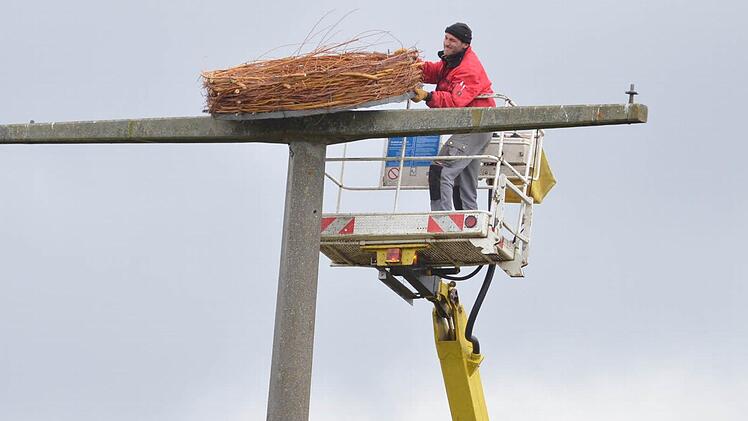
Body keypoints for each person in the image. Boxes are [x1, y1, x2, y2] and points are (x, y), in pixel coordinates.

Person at [410, 23, 496, 211]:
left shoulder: (468, 69)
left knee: (440, 170)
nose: (447, 43)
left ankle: (444, 223)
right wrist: (412, 66)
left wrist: (428, 96)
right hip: (476, 127)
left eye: (452, 40)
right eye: (446, 38)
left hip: (476, 125)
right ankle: (467, 221)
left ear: (465, 44)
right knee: (462, 177)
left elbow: (455, 101)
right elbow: (435, 71)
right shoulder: (453, 61)